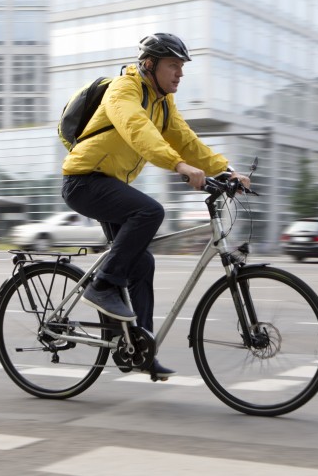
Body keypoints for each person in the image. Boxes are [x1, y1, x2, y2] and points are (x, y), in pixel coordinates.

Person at [61, 33, 250, 379]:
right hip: (84, 181)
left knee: (142, 261)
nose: (180, 73)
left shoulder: (163, 104)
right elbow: (137, 129)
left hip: (109, 184)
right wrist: (178, 166)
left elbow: (187, 141)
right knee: (149, 211)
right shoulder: (124, 89)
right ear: (150, 65)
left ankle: (138, 348)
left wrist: (225, 170)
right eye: (173, 65)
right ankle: (102, 286)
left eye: (182, 67)